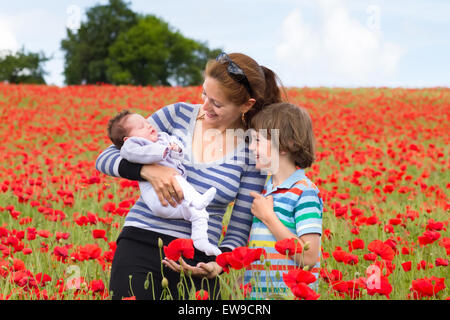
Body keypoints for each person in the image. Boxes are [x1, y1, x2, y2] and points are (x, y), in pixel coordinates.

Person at [95, 52, 285, 300]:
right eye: (204, 93)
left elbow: (239, 228)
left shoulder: (255, 148)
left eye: (216, 103)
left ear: (246, 105)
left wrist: (218, 264)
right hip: (141, 242)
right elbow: (106, 157)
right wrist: (148, 171)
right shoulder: (177, 115)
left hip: (198, 260)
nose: (204, 107)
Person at [106, 110, 220, 256]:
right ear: (128, 138)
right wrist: (163, 151)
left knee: (199, 214)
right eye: (141, 126)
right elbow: (136, 154)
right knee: (174, 177)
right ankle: (197, 199)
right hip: (159, 199)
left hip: (176, 200)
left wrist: (176, 149)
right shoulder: (133, 145)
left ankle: (201, 240)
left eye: (147, 122)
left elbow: (178, 151)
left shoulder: (162, 137)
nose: (148, 125)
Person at [244, 102, 323, 300]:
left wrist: (269, 217)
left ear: (286, 145)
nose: (252, 146)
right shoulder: (266, 190)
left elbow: (309, 257)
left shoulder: (304, 192)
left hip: (288, 295)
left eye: (258, 140)